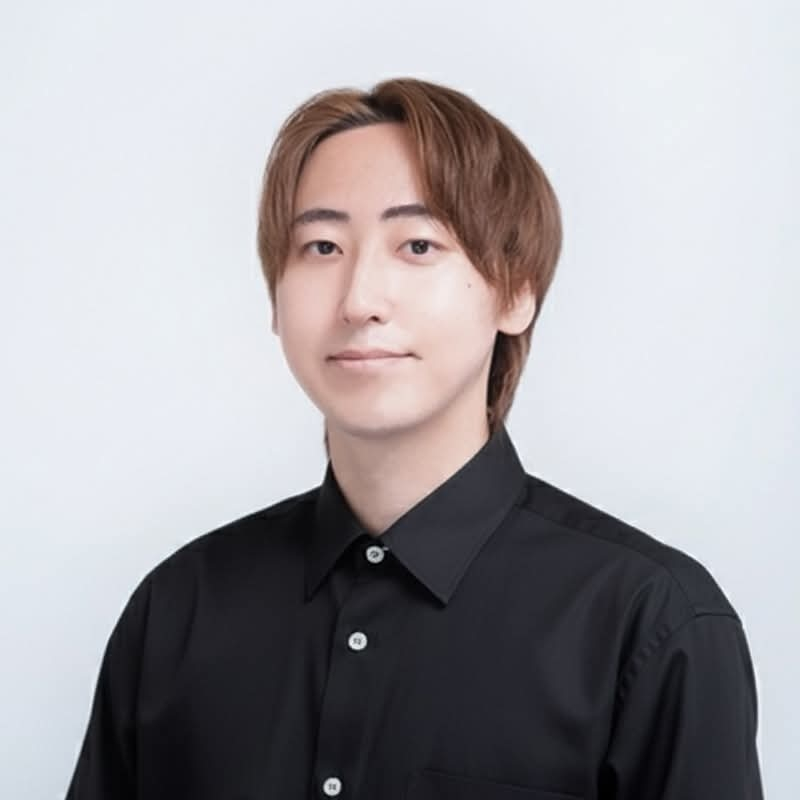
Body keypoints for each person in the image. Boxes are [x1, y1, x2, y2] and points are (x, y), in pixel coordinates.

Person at [66, 77, 764, 799]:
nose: (360, 300)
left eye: (419, 245)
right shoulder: (178, 609)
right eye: (322, 246)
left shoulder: (651, 621)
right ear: (275, 296)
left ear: (515, 292)